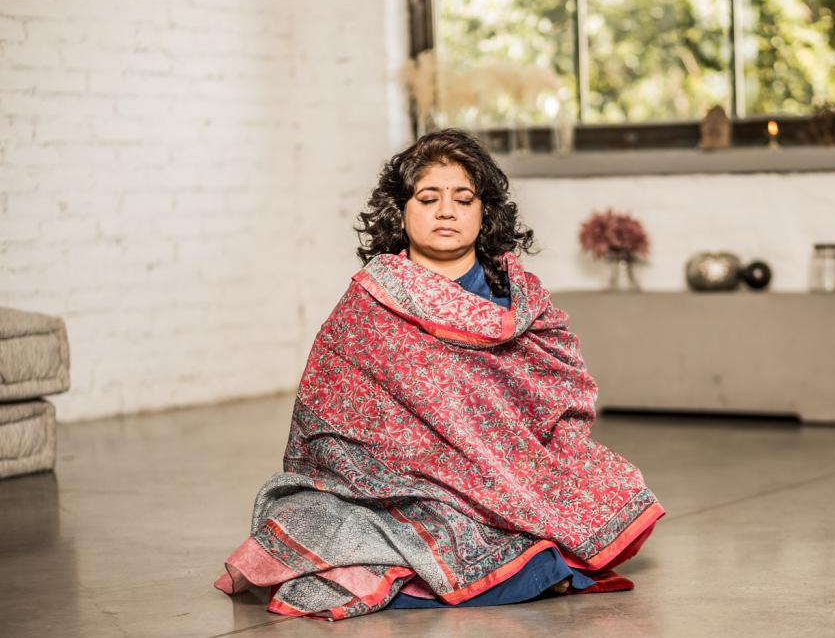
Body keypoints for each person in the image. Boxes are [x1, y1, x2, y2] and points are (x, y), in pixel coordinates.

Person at [214, 129, 664, 620]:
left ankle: (496, 551)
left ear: (484, 212)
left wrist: (514, 464)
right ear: (402, 212)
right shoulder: (368, 304)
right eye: (428, 199)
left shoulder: (522, 302)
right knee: (311, 520)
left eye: (463, 199)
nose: (446, 211)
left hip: (511, 477)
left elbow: (563, 395)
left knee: (611, 487)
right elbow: (326, 424)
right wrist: (421, 467)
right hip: (401, 488)